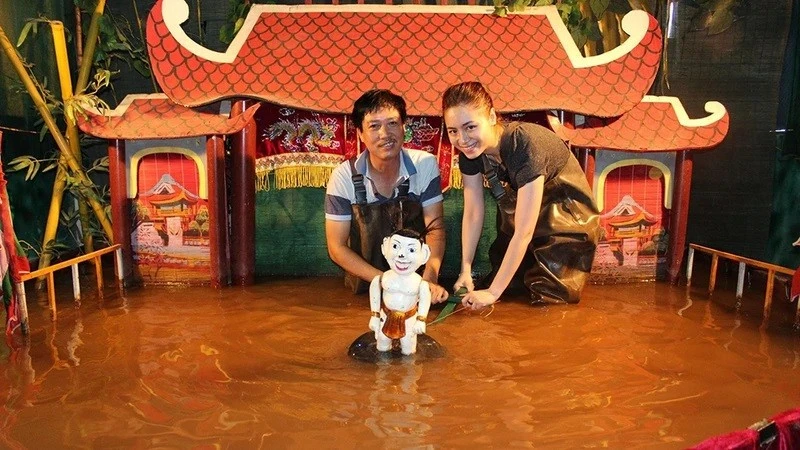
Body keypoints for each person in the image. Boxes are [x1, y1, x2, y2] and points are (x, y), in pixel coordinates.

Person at [442, 81, 600, 309]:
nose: (462, 139)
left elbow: (524, 232)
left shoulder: (523, 143)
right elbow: (474, 212)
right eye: (453, 131)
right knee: (509, 292)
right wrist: (465, 270)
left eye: (470, 127)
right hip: (523, 222)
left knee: (549, 302)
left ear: (493, 117)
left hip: (566, 223)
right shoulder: (470, 153)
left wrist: (493, 293)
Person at [325, 89, 448, 302]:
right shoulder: (343, 176)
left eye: (392, 123)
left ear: (403, 127)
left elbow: (435, 230)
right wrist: (386, 283)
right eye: (374, 126)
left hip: (417, 284)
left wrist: (428, 279)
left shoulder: (425, 165)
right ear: (361, 134)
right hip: (366, 287)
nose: (385, 134)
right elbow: (336, 248)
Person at [369, 229, 432, 355]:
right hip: (385, 316)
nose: (401, 255)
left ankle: (410, 373)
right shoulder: (383, 278)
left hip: (409, 319)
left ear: (424, 255)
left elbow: (425, 300)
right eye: (395, 246)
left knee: (408, 348)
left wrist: (421, 320)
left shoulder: (420, 283)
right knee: (382, 344)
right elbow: (375, 292)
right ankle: (382, 370)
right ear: (385, 248)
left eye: (411, 250)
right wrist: (374, 316)